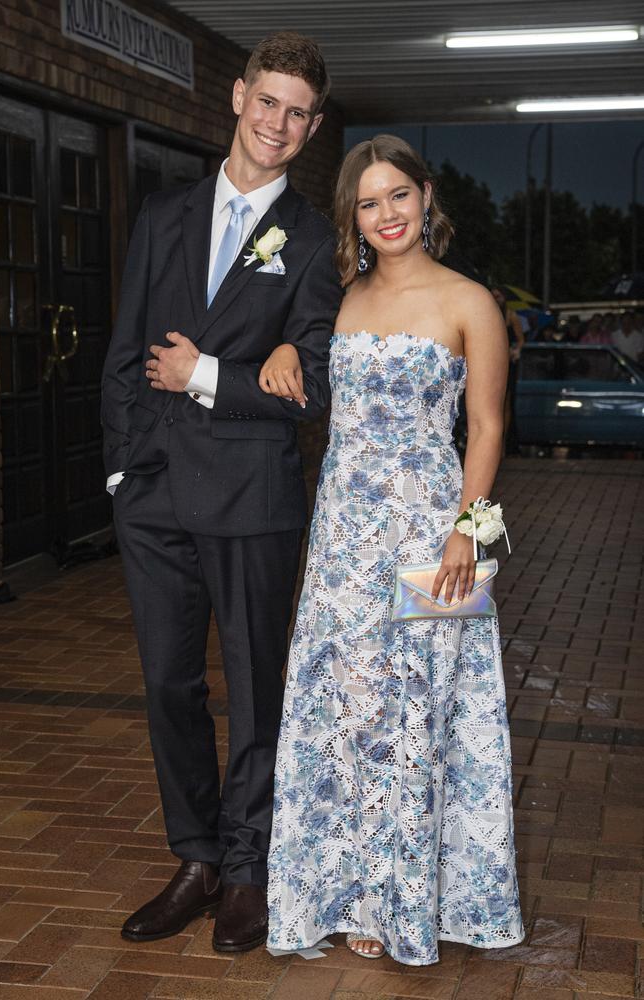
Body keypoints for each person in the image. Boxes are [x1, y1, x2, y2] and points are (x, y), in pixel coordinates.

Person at [101, 32, 342, 952]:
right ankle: (196, 857)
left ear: (312, 128)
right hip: (155, 495)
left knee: (254, 690)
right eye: (267, 101)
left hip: (252, 498)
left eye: (297, 112)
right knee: (168, 686)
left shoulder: (318, 240)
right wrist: (124, 471)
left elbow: (313, 376)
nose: (278, 123)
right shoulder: (164, 214)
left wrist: (209, 376)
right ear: (238, 98)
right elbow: (125, 353)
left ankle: (249, 870)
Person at [263, 135, 524, 966]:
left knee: (422, 712)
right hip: (342, 536)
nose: (386, 216)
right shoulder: (339, 296)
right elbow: (299, 361)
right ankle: (350, 890)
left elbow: (488, 428)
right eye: (368, 204)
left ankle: (411, 895)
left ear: (426, 195)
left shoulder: (468, 302)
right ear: (355, 217)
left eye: (398, 197)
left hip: (432, 533)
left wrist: (465, 530)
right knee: (347, 710)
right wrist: (278, 350)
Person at [490, 286, 525, 455]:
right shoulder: (487, 313)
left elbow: (521, 340)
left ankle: (503, 443)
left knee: (506, 402)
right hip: (491, 362)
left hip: (508, 363)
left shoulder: (511, 315)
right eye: (493, 296)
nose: (496, 299)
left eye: (498, 296)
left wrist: (514, 350)